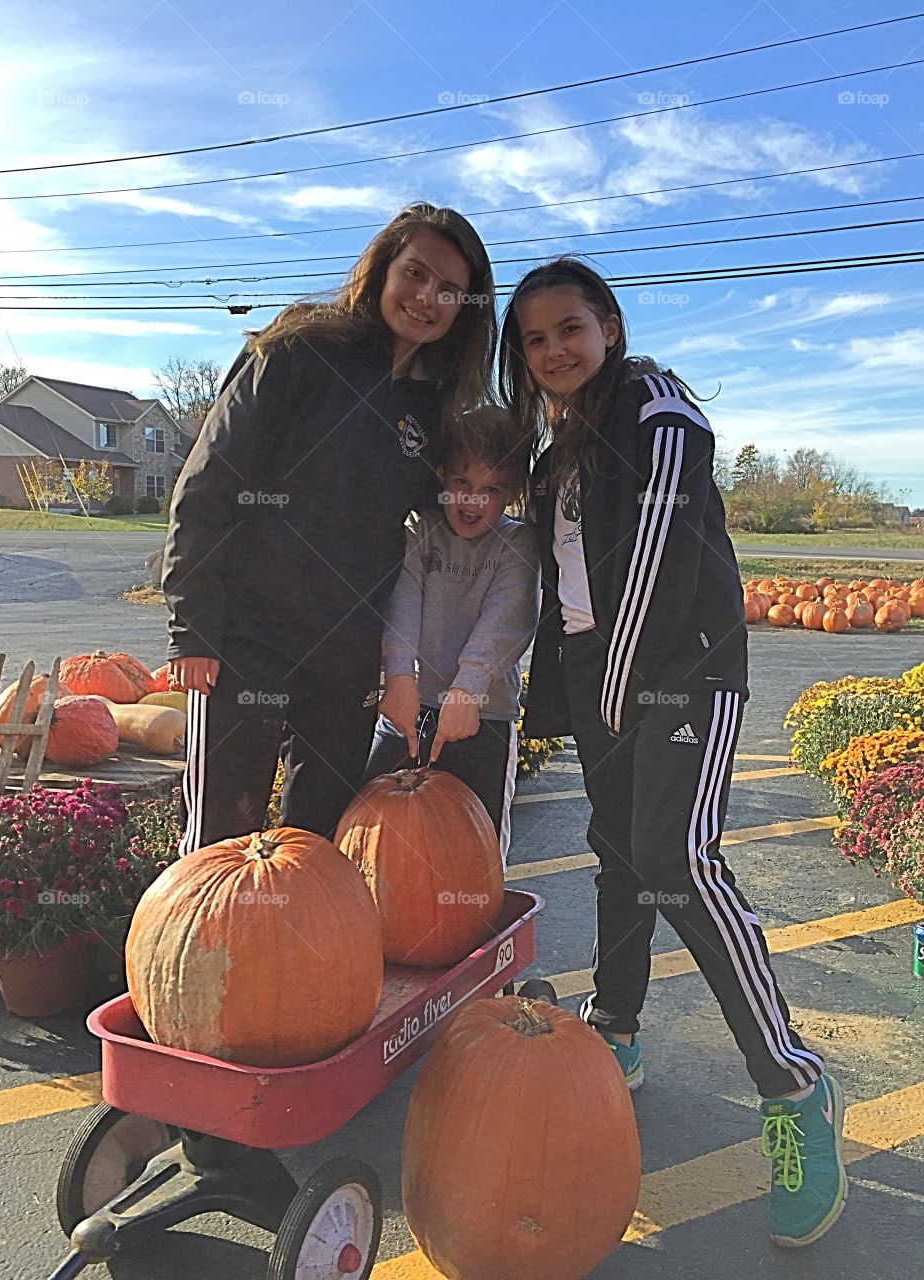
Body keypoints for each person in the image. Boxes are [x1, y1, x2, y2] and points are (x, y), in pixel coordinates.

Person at [498, 257, 846, 1249]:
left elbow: (651, 558)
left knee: (679, 861)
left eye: (570, 328)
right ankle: (617, 1024)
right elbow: (560, 582)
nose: (554, 349)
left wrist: (616, 683)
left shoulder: (657, 411)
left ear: (608, 326)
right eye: (534, 339)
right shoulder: (558, 449)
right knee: (619, 854)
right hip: (597, 674)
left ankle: (794, 1083)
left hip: (681, 670)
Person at [162, 202, 496, 852]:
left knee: (317, 838)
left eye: (449, 289)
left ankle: (298, 925)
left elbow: (453, 515)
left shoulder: (434, 409)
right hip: (245, 636)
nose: (427, 298)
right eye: (416, 273)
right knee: (219, 838)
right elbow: (207, 485)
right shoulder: (298, 350)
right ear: (383, 269)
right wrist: (192, 629)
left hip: (346, 655)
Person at [363, 407, 540, 864]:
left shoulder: (517, 543)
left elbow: (507, 620)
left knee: (475, 850)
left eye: (491, 490)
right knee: (373, 830)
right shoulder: (421, 530)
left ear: (511, 493)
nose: (472, 500)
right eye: (462, 482)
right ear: (441, 475)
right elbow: (402, 607)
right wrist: (398, 678)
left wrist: (467, 690)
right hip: (409, 707)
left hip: (483, 714)